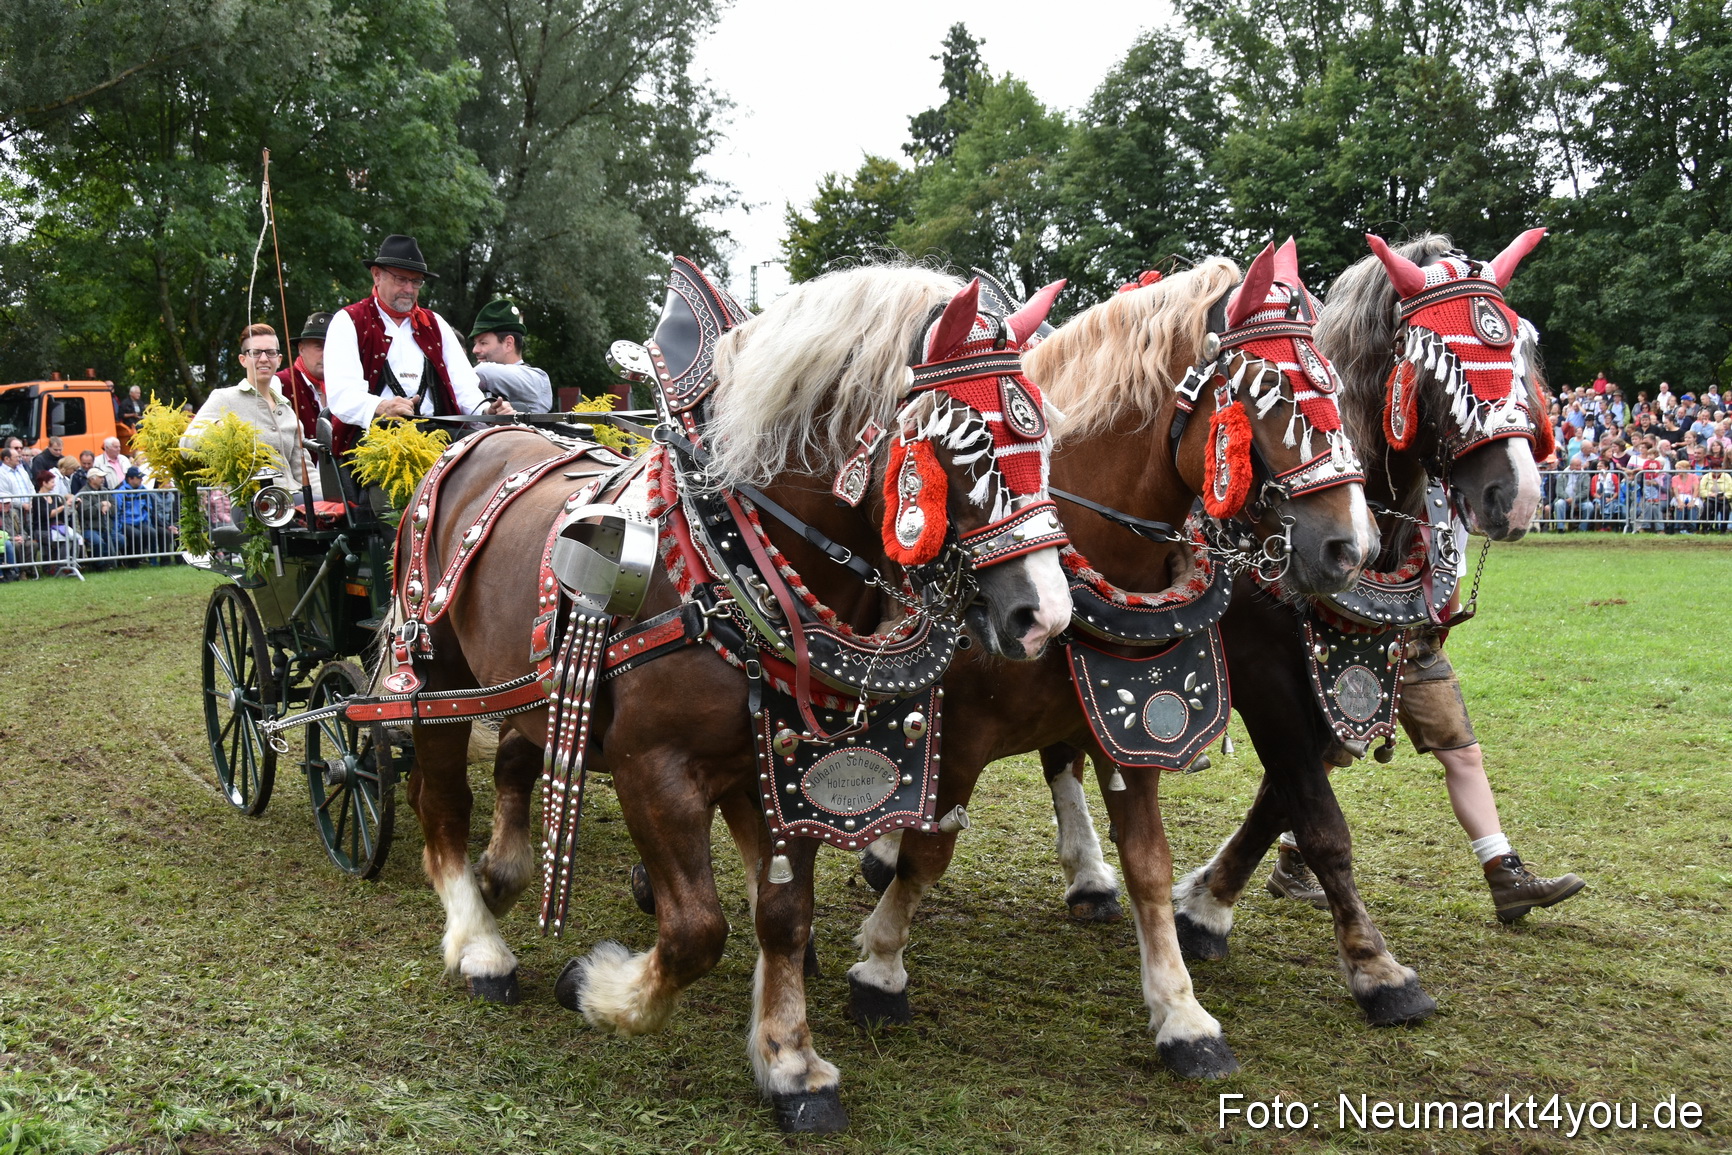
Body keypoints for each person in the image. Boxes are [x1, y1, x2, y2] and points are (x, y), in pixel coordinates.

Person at [1268, 534, 1586, 924]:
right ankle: (1290, 861)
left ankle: (1505, 874)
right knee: (1321, 761)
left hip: (1418, 641)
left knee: (1463, 753)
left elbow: (1447, 585)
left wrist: (1431, 633)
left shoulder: (1445, 505)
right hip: (1348, 638)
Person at [322, 234, 513, 467]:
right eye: (401, 279)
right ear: (376, 275)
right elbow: (343, 394)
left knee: (500, 458)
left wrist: (486, 411)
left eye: (416, 282)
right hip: (375, 440)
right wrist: (381, 407)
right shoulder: (349, 321)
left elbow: (463, 387)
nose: (409, 289)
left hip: (440, 436)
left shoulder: (435, 324)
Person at [184, 323, 320, 497]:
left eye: (270, 352)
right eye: (255, 353)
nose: (264, 359)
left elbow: (304, 471)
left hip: (293, 496)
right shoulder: (224, 398)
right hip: (249, 499)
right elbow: (186, 445)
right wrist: (220, 428)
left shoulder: (287, 412)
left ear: (278, 360)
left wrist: (332, 502)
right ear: (243, 360)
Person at [469, 298, 552, 413]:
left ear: (508, 344)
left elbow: (483, 371)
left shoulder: (535, 380)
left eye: (483, 343)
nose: (475, 350)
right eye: (475, 343)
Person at [276, 311, 333, 441]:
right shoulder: (279, 384)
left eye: (332, 346)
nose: (326, 353)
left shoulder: (346, 387)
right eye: (319, 346)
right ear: (301, 349)